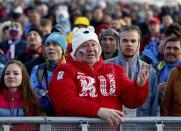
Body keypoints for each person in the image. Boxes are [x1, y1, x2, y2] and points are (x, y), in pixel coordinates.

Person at [48, 26, 150, 126]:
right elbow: (64, 101)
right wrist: (97, 111)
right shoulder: (64, 70)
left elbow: (131, 102)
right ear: (75, 52)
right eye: (84, 45)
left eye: (94, 45)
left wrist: (139, 85)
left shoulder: (115, 69)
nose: (91, 49)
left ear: (99, 49)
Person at [106, 25, 158, 116]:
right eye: (125, 40)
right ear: (118, 43)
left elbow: (153, 106)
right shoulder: (105, 67)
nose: (129, 44)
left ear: (139, 44)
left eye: (133, 41)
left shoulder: (150, 71)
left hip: (141, 127)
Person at [30, 32, 67, 116]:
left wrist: (44, 93)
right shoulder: (38, 69)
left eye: (55, 44)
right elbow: (33, 95)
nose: (50, 47)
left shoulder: (71, 69)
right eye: (47, 45)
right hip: (43, 120)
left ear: (63, 49)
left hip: (65, 120)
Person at [156, 36, 181, 113]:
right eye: (168, 48)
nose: (172, 51)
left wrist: (170, 89)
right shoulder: (155, 68)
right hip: (158, 114)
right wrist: (155, 89)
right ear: (163, 51)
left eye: (176, 48)